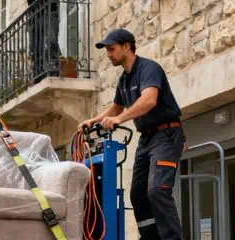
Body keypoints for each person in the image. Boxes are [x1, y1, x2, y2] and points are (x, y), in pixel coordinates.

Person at [78, 28, 185, 240]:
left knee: (157, 190)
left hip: (167, 135)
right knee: (137, 194)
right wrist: (94, 120)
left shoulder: (148, 69)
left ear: (127, 47)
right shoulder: (124, 80)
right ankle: (150, 237)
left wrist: (119, 120)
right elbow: (115, 108)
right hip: (147, 138)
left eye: (111, 49)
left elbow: (149, 100)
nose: (108, 54)